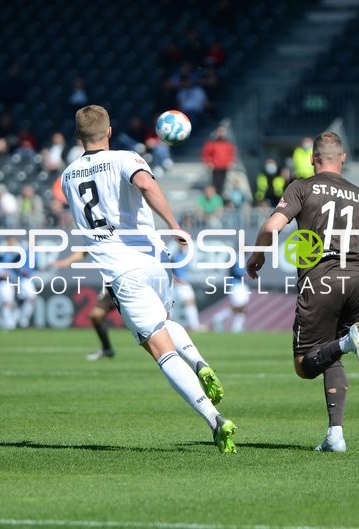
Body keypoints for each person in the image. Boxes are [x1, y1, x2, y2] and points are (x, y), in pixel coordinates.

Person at [60, 105, 236, 453]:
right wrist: (173, 226)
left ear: (78, 137)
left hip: (122, 270)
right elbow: (146, 185)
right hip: (155, 260)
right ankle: (200, 362)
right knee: (165, 323)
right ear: (109, 132)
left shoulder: (67, 176)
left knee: (157, 346)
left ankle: (215, 419)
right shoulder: (126, 158)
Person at [246, 131, 359, 453]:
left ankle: (345, 342)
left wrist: (257, 257)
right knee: (332, 354)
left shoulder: (302, 187)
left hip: (320, 279)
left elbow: (272, 227)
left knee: (304, 365)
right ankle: (335, 435)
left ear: (312, 159)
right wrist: (356, 275)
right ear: (343, 159)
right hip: (355, 279)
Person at [53, 251, 118, 361]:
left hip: (130, 282)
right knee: (96, 315)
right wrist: (67, 261)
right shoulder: (99, 237)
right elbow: (84, 250)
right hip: (112, 284)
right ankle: (107, 349)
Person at [211, 260, 250, 333]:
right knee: (239, 306)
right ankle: (218, 318)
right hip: (236, 284)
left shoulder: (246, 258)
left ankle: (237, 328)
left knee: (243, 307)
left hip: (243, 285)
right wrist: (246, 274)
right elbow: (235, 269)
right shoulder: (236, 256)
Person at [201, 125, 236, 194]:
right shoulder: (212, 142)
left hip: (225, 166)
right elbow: (206, 153)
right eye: (220, 131)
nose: (221, 133)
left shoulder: (228, 143)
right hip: (215, 166)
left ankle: (221, 197)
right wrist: (208, 162)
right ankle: (216, 197)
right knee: (216, 183)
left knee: (224, 183)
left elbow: (232, 153)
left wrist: (231, 162)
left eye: (223, 131)